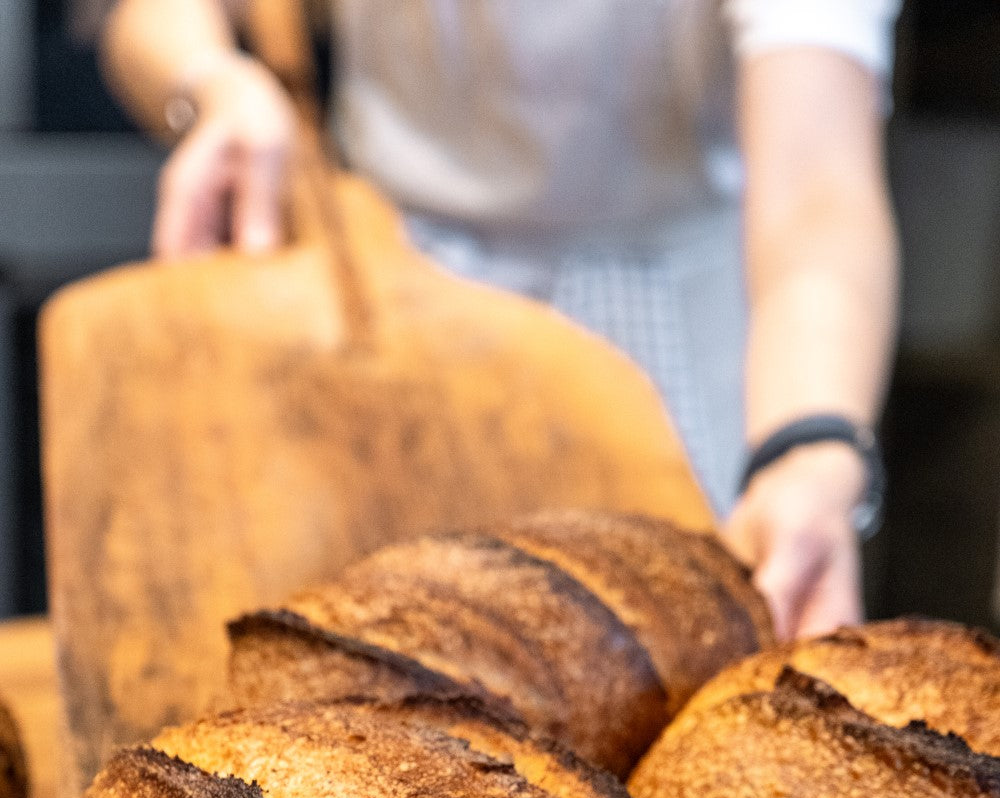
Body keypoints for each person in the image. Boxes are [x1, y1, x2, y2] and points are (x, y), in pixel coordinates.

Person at [99, 0, 901, 640]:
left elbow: (815, 194)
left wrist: (809, 453)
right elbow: (150, 12)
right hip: (390, 297)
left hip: (675, 326)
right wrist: (213, 84)